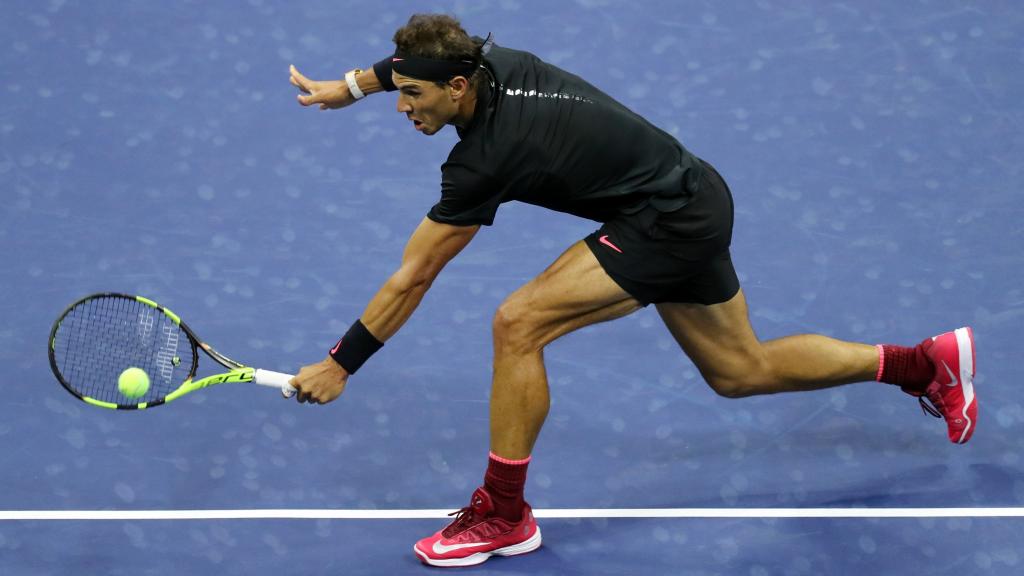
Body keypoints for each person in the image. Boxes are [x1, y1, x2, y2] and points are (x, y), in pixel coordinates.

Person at [287, 14, 978, 568]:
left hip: (666, 220)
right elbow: (412, 63)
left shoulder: (483, 160)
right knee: (741, 371)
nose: (402, 105)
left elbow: (414, 276)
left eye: (415, 96)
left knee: (518, 323)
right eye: (400, 91)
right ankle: (926, 363)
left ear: (460, 88)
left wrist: (341, 362)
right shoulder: (489, 60)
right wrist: (349, 87)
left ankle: (504, 514)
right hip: (692, 192)